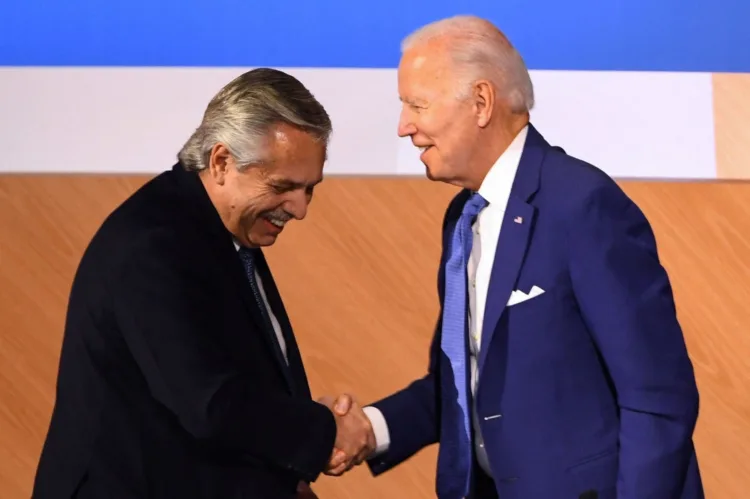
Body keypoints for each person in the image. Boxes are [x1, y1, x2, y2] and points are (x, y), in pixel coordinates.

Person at [325, 15, 704, 499]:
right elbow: (464, 385)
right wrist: (368, 430)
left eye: (416, 105)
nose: (404, 127)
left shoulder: (583, 207)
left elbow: (657, 397)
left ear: (481, 102)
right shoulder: (462, 218)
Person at [32, 68, 374, 499]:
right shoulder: (153, 245)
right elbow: (210, 403)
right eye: (283, 187)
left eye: (310, 189)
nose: (300, 209)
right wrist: (322, 434)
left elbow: (241, 382)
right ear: (221, 162)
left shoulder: (222, 232)